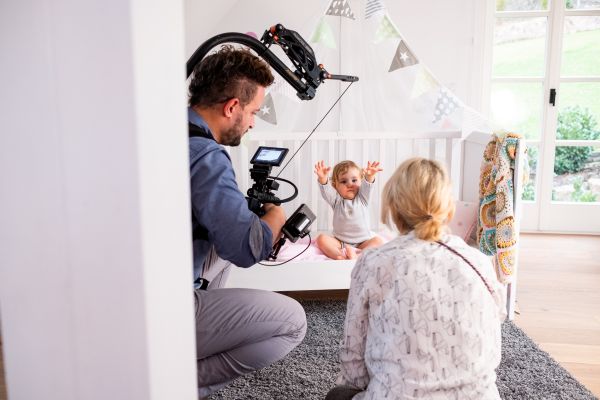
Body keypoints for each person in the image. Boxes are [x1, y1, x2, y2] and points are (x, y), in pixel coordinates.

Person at [326, 158, 507, 400]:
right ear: (448, 207)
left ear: (393, 206)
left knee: (338, 396)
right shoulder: (479, 261)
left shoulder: (373, 262)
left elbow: (354, 359)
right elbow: (496, 328)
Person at [188, 45, 307, 398]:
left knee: (220, 245)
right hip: (161, 304)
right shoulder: (207, 156)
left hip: (131, 287)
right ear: (231, 107)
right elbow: (246, 248)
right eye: (254, 111)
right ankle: (177, 383)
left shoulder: (168, 131)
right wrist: (275, 217)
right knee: (292, 323)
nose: (253, 121)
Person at [314, 160, 384, 260]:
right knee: (321, 239)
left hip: (363, 242)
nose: (349, 184)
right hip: (340, 241)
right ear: (335, 186)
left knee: (378, 241)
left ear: (361, 181)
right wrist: (322, 178)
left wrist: (369, 176)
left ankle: (358, 255)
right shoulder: (336, 201)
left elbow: (368, 186)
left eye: (354, 180)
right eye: (343, 181)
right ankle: (340, 256)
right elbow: (326, 192)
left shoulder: (363, 198)